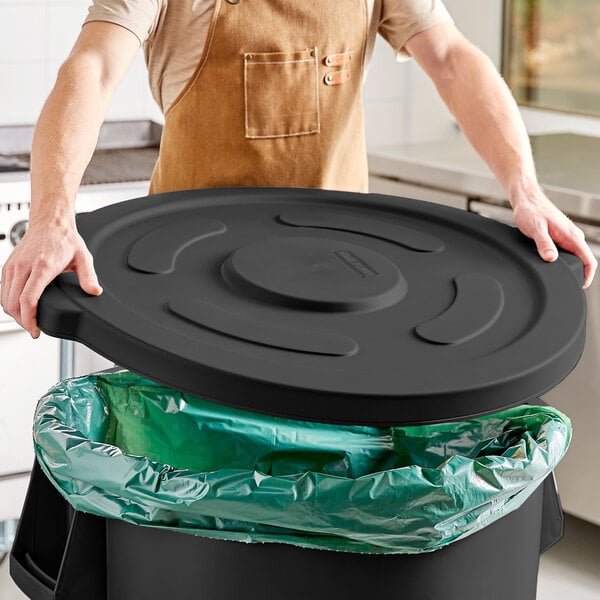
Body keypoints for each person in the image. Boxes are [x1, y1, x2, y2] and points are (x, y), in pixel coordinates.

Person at [1, 0, 596, 338]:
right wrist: (53, 214)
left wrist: (525, 187)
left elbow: (450, 57)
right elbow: (93, 67)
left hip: (345, 284)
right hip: (186, 292)